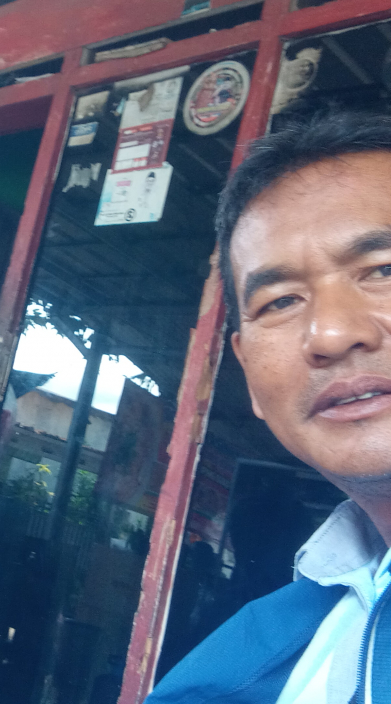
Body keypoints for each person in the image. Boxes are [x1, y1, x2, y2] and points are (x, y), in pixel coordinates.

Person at [147, 110, 391, 703]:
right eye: (280, 302)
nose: (331, 334)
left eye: (383, 270)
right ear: (248, 374)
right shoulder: (247, 670)